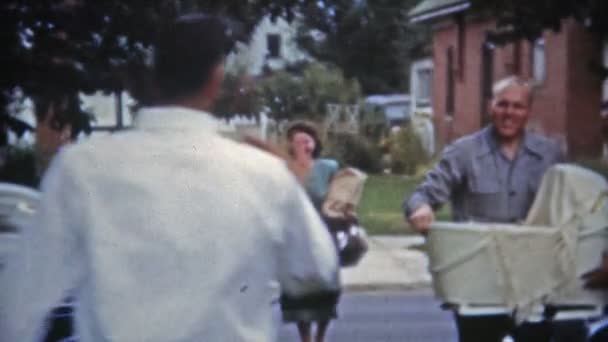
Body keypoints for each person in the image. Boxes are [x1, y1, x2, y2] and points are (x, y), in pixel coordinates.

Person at [0, 14, 339, 342]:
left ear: (154, 76)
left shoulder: (82, 169)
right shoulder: (264, 175)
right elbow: (318, 269)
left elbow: (21, 301)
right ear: (216, 78)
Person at [403, 76, 588, 342]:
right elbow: (423, 194)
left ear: (528, 110)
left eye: (517, 106)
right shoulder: (463, 152)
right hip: (479, 283)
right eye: (503, 105)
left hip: (534, 281)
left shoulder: (550, 154)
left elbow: (573, 206)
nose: (509, 113)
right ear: (491, 107)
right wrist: (420, 208)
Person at [278, 121, 341, 342]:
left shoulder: (328, 167)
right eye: (298, 140)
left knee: (327, 290)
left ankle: (320, 337)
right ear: (291, 146)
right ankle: (305, 337)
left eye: (308, 139)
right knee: (298, 293)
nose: (304, 144)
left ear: (315, 143)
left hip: (324, 236)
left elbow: (339, 199)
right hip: (295, 238)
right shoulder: (284, 169)